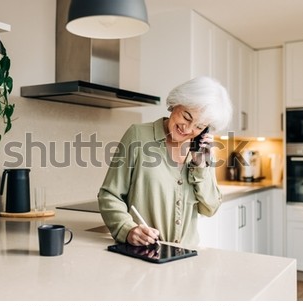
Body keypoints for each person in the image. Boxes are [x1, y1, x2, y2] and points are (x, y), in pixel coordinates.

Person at [98, 76, 233, 247]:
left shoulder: (202, 152)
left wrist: (201, 166)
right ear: (176, 103)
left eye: (199, 126)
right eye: (187, 116)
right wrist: (127, 229)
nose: (189, 129)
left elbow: (210, 208)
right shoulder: (137, 136)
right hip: (145, 253)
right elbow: (109, 194)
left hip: (187, 257)